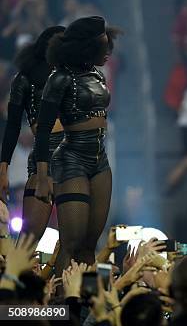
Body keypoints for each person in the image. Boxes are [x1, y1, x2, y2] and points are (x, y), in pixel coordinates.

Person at [34, 15, 120, 276]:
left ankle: (83, 309)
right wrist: (42, 176)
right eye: (103, 47)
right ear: (87, 48)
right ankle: (60, 309)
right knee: (70, 244)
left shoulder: (98, 73)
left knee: (89, 245)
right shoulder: (59, 79)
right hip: (72, 159)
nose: (108, 53)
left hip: (100, 160)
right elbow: (43, 129)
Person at [0, 25, 65, 243]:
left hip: (76, 155)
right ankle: (15, 275)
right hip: (43, 156)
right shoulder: (25, 79)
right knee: (29, 239)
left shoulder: (75, 76)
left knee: (72, 240)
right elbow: (12, 127)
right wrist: (3, 169)